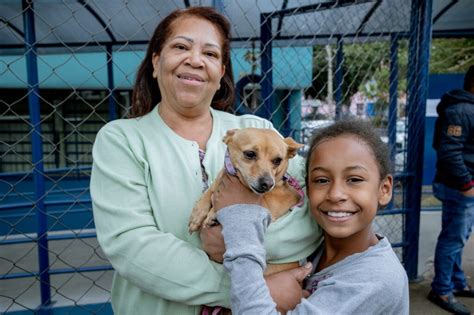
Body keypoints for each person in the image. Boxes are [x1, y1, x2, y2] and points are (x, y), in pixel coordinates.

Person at [90, 7, 321, 315]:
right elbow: (133, 248)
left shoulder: (259, 131)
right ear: (156, 62)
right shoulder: (122, 140)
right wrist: (252, 288)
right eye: (181, 47)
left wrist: (233, 246)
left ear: (221, 71)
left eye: (210, 54)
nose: (196, 60)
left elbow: (309, 216)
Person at [211, 119, 409, 314]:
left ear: (384, 189)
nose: (335, 194)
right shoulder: (313, 247)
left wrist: (239, 219)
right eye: (321, 180)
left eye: (354, 179)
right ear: (306, 187)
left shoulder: (376, 280)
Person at [427, 65, 474, 315]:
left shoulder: (464, 108)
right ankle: (442, 290)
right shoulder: (460, 110)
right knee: (452, 239)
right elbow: (448, 151)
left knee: (457, 238)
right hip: (460, 187)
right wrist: (467, 185)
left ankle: (456, 282)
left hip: (460, 186)